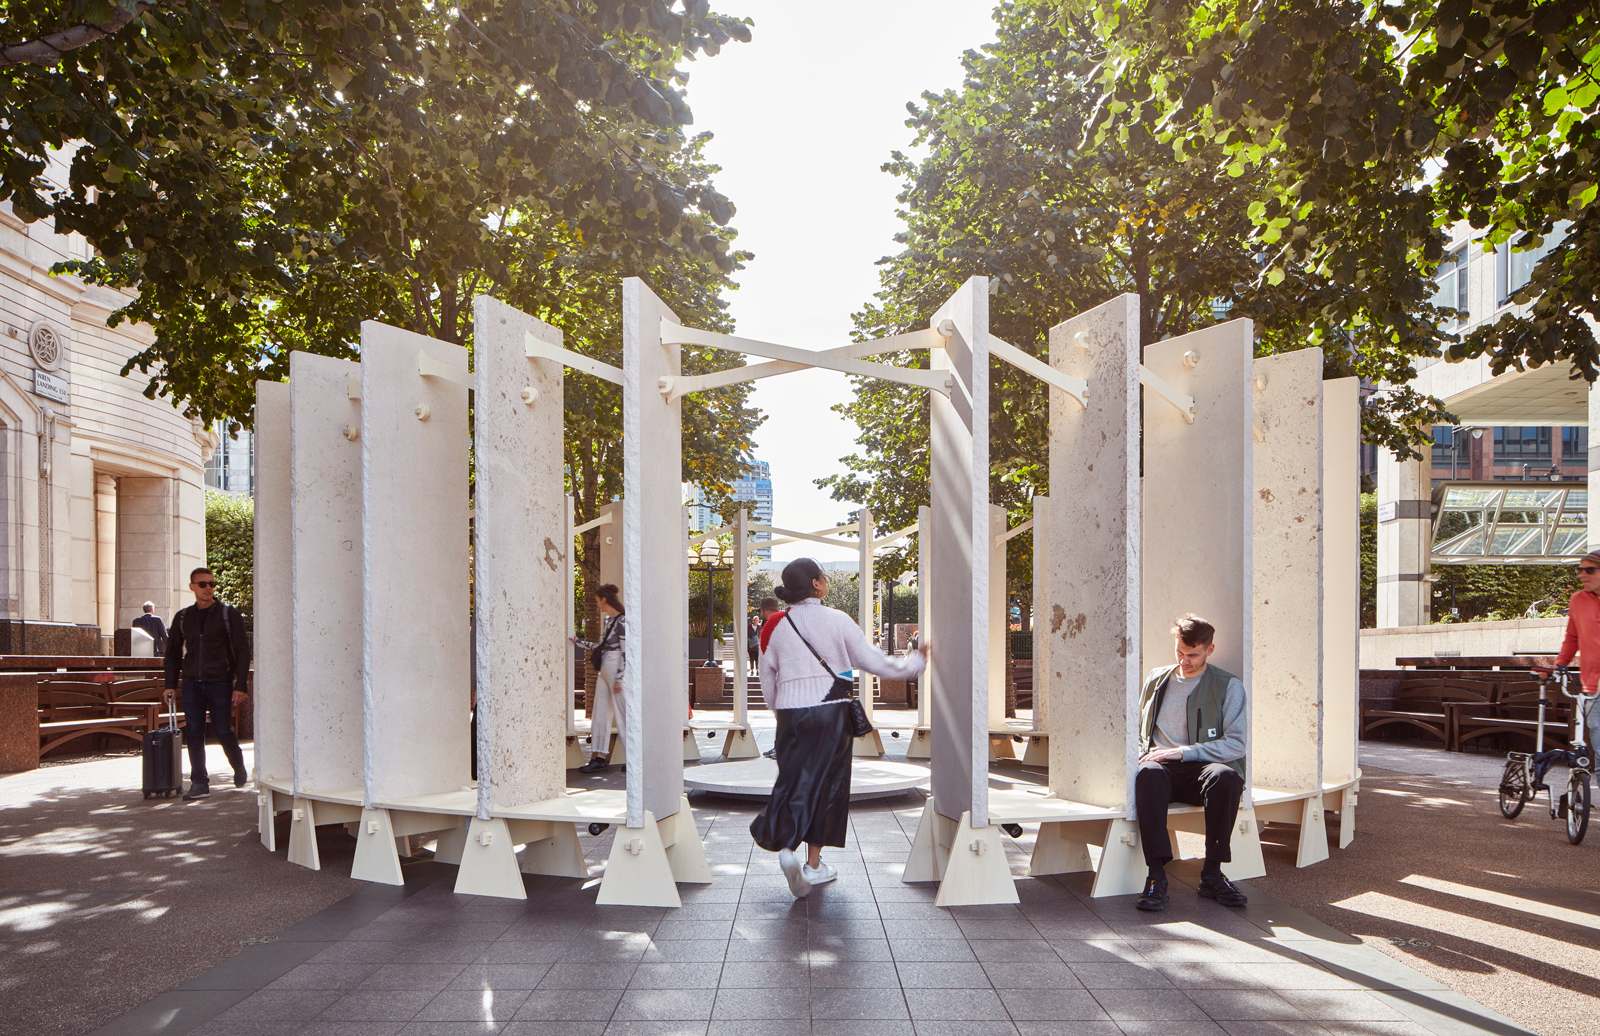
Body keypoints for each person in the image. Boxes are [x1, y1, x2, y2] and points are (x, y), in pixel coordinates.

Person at [751, 558, 928, 897]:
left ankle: (786, 847)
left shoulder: (774, 624)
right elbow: (874, 662)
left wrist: (779, 710)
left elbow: (767, 676)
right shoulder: (837, 620)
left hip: (791, 713)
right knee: (828, 786)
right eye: (824, 576)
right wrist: (915, 663)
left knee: (793, 780)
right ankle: (814, 866)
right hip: (832, 713)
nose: (827, 580)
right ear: (816, 585)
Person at [1133, 614, 1248, 912]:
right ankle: (1157, 876)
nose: (1184, 661)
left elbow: (1236, 744)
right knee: (1147, 773)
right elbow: (1135, 728)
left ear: (1210, 649)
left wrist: (1184, 752)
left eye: (1193, 655)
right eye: (1179, 653)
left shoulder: (1228, 686)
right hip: (1160, 770)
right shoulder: (1157, 680)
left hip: (1200, 767)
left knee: (1227, 778)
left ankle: (1212, 873)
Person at [163, 567, 251, 801]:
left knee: (222, 730)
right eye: (202, 584)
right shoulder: (183, 617)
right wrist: (170, 684)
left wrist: (240, 684)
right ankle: (199, 782)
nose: (208, 588)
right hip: (192, 682)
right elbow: (172, 653)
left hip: (220, 682)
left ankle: (238, 765)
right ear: (191, 586)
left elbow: (243, 650)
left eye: (211, 584)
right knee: (194, 733)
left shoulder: (227, 613)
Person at [1543, 551, 1600, 748]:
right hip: (1593, 685)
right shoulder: (1578, 600)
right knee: (1599, 745)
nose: (1583, 574)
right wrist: (1559, 665)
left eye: (1590, 570)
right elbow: (1572, 638)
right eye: (1580, 570)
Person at [570, 584, 626, 774]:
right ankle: (599, 756)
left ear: (604, 599)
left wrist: (620, 677)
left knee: (622, 714)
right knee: (599, 711)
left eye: (597, 601)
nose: (597, 604)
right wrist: (579, 642)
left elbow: (627, 652)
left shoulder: (622, 622)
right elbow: (601, 646)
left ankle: (635, 758)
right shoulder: (608, 621)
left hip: (616, 666)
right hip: (605, 666)